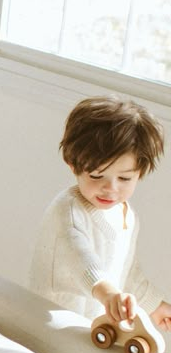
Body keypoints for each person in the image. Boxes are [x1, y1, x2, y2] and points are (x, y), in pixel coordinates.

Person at [29, 96, 170, 329]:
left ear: (140, 172)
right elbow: (83, 262)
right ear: (74, 165)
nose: (110, 188)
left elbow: (127, 270)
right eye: (96, 175)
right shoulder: (68, 212)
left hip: (92, 324)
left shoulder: (126, 216)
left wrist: (154, 306)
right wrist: (108, 293)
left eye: (124, 178)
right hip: (51, 323)